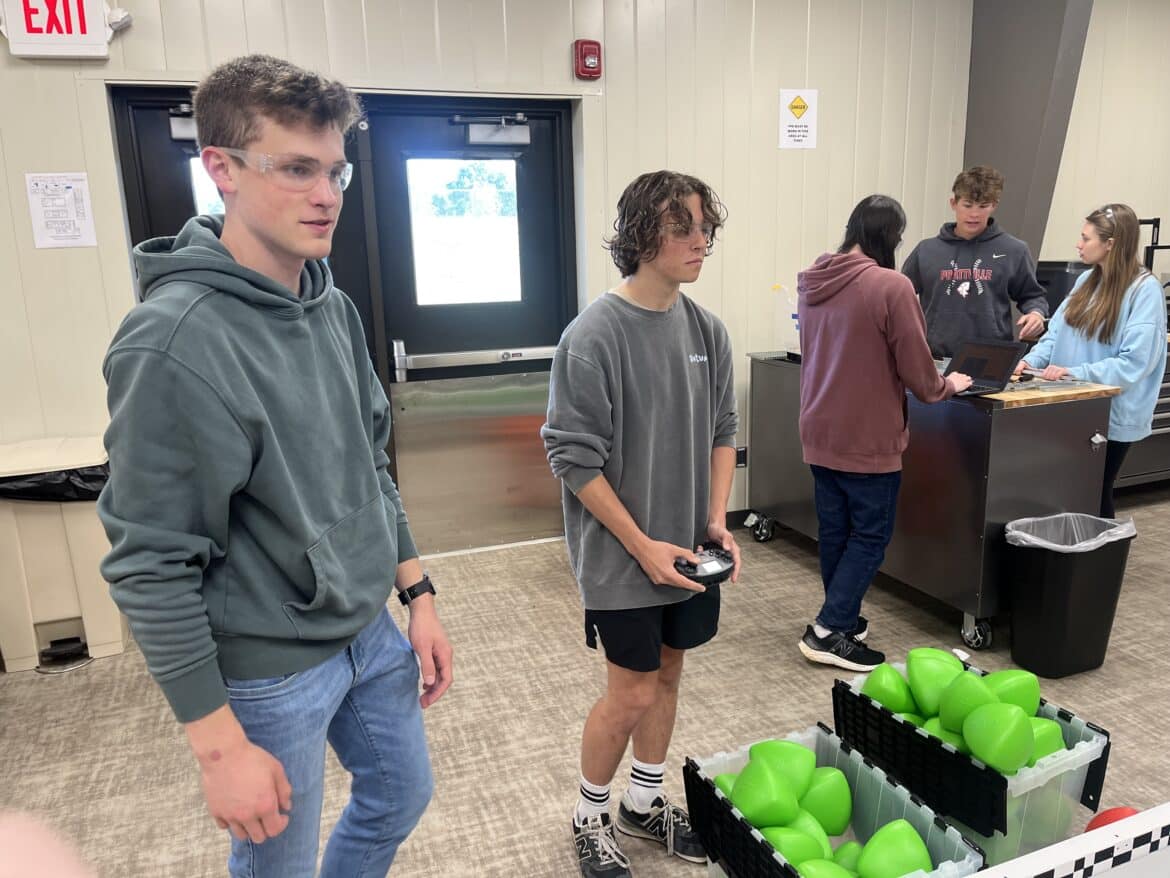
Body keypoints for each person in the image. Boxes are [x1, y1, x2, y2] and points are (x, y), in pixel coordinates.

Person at [97, 55, 452, 878]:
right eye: (296, 169)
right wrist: (219, 749)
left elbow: (370, 466)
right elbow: (149, 564)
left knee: (401, 796)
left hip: (367, 627)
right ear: (220, 169)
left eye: (335, 170)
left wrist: (418, 593)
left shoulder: (331, 305)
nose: (326, 195)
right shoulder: (172, 343)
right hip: (269, 666)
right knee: (275, 866)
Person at [541, 170, 740, 877]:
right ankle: (590, 814)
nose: (700, 240)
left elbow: (723, 430)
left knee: (669, 674)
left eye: (705, 226)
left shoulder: (707, 330)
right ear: (640, 235)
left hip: (686, 551)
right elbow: (572, 458)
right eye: (682, 226)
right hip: (621, 557)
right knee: (630, 692)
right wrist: (641, 546)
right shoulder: (593, 336)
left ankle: (644, 801)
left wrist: (715, 520)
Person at [797, 195, 972, 671]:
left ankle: (843, 619)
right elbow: (920, 374)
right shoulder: (890, 286)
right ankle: (829, 629)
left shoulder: (813, 280)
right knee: (870, 537)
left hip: (819, 429)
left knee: (837, 532)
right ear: (891, 237)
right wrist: (949, 385)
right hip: (867, 437)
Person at [1014, 203, 1167, 517]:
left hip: (1110, 413)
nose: (1078, 244)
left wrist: (1073, 372)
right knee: (1069, 491)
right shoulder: (1085, 281)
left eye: (1086, 238)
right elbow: (1055, 333)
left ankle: (1102, 549)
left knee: (1093, 493)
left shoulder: (1144, 290)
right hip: (1073, 404)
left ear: (1110, 244)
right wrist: (1030, 362)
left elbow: (1134, 363)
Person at [901, 165, 1049, 358]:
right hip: (933, 357)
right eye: (968, 205)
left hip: (992, 357)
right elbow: (899, 295)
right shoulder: (926, 250)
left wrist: (1036, 313)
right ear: (953, 203)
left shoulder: (1014, 250)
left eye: (983, 206)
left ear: (994, 205)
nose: (974, 214)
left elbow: (1032, 295)